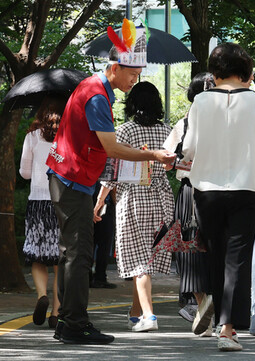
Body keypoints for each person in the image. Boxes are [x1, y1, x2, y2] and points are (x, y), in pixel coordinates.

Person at [46, 22, 175, 345]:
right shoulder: (97, 96)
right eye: (133, 74)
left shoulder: (95, 88)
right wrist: (155, 156)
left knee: (71, 253)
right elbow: (112, 148)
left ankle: (67, 321)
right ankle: (75, 323)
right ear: (115, 67)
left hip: (70, 179)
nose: (136, 80)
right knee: (79, 254)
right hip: (71, 180)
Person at [182, 42, 255, 352]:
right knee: (237, 258)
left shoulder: (200, 101)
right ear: (247, 72)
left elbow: (188, 148)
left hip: (206, 191)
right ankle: (228, 328)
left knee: (214, 252)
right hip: (246, 188)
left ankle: (213, 308)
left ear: (215, 72)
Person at [92, 81, 174, 333]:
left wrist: (100, 199)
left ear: (132, 104)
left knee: (139, 260)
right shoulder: (168, 131)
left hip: (135, 198)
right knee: (147, 258)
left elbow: (112, 171)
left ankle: (149, 316)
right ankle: (136, 311)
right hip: (163, 199)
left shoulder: (124, 131)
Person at [162, 72, 214, 330]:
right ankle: (215, 305)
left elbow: (166, 160)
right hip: (222, 191)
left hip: (190, 192)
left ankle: (201, 302)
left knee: (187, 249)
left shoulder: (184, 123)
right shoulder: (228, 120)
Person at [20, 96, 64, 328]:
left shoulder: (32, 137)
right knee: (58, 259)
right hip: (61, 201)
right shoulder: (67, 137)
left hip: (37, 202)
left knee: (37, 256)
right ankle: (56, 313)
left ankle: (41, 296)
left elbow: (24, 173)